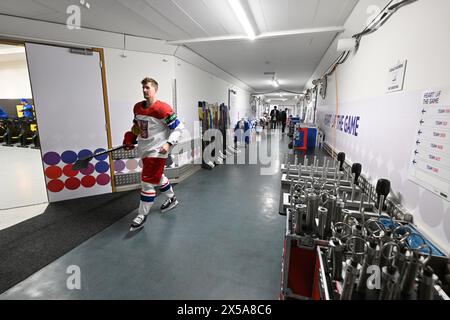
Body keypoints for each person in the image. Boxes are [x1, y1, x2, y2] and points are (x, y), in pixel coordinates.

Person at [123, 77, 185, 230]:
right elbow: (137, 127)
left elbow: (178, 128)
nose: (144, 90)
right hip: (144, 149)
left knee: (148, 181)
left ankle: (142, 215)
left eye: (148, 88)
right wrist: (130, 138)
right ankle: (172, 199)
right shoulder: (137, 107)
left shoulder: (163, 109)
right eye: (143, 87)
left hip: (158, 150)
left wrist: (168, 143)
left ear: (155, 90)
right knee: (158, 177)